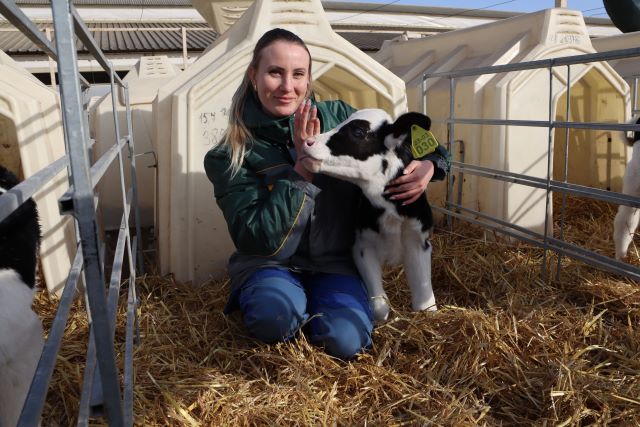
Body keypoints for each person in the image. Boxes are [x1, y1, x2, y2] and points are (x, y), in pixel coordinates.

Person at [204, 28, 450, 360]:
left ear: (309, 79)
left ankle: (320, 314)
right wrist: (302, 170)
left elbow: (412, 141)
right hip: (269, 264)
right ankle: (287, 309)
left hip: (335, 264)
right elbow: (259, 239)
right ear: (254, 76)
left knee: (347, 341)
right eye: (275, 72)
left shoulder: (340, 118)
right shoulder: (230, 154)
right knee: (274, 316)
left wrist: (431, 164)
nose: (287, 86)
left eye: (298, 74)